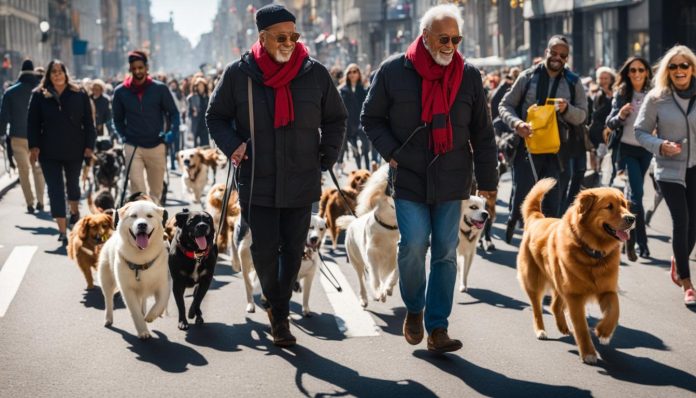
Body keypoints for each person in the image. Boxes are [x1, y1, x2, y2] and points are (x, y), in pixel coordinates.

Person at [206, 4, 347, 346]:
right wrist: (234, 144)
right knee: (265, 251)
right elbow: (216, 116)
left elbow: (336, 118)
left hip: (302, 179)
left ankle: (279, 314)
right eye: (281, 37)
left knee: (293, 249)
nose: (288, 42)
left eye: (293, 36)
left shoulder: (314, 73)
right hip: (257, 179)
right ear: (263, 37)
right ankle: (277, 305)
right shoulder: (239, 74)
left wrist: (328, 153)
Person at [361, 4, 497, 353]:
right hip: (408, 177)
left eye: (456, 38)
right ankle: (415, 309)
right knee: (414, 245)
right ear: (425, 37)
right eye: (443, 38)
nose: (450, 45)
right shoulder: (393, 70)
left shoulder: (470, 76)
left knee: (446, 254)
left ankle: (438, 328)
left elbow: (483, 134)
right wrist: (393, 153)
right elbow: (370, 118)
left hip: (453, 181)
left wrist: (488, 183)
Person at [499, 35, 587, 243]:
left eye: (562, 55)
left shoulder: (574, 82)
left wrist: (567, 110)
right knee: (523, 195)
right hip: (526, 146)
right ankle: (514, 219)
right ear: (546, 52)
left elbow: (583, 115)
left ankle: (544, 244)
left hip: (558, 150)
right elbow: (505, 105)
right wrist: (517, 124)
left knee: (553, 202)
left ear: (567, 58)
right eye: (553, 53)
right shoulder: (527, 77)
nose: (557, 58)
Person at [634, 45, 696, 306]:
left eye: (684, 65)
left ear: (692, 68)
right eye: (673, 66)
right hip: (668, 170)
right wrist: (660, 145)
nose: (679, 70)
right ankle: (687, 283)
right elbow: (640, 131)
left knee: (694, 223)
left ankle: (677, 258)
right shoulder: (657, 97)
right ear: (667, 71)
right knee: (681, 222)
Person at [27, 60, 96, 243]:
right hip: (49, 151)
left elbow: (89, 122)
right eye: (53, 72)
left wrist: (89, 146)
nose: (57, 74)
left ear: (66, 73)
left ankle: (74, 213)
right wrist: (33, 146)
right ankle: (63, 231)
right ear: (48, 75)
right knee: (55, 190)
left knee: (73, 185)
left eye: (60, 71)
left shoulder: (79, 93)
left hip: (75, 149)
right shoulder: (39, 95)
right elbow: (32, 123)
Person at [112, 50, 180, 204]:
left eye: (140, 67)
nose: (137, 71)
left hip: (156, 145)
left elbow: (174, 114)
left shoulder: (160, 89)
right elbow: (117, 120)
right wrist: (124, 136)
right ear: (130, 69)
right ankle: (140, 225)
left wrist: (170, 135)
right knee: (137, 191)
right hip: (133, 146)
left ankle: (154, 225)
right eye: (134, 68)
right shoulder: (120, 92)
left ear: (147, 67)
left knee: (156, 192)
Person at [605, 56, 653, 261]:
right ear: (627, 73)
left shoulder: (654, 94)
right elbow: (610, 122)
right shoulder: (622, 93)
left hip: (647, 150)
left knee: (635, 197)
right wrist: (621, 115)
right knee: (637, 195)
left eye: (641, 70)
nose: (637, 74)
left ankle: (633, 240)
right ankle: (637, 243)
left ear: (647, 73)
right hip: (626, 150)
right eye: (632, 70)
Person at [0, 59, 45, 214]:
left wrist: (1, 135)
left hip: (17, 135)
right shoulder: (40, 91)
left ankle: (30, 203)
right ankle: (41, 201)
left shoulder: (10, 92)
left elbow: (3, 117)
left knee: (23, 171)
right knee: (38, 169)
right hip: (38, 137)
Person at [338, 63, 369, 170]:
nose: (352, 74)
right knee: (355, 151)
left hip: (362, 124)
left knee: (365, 149)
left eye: (355, 71)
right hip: (349, 125)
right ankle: (359, 171)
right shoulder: (343, 90)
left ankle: (367, 171)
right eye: (350, 72)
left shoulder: (364, 90)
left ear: (359, 74)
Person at [588, 66, 615, 177]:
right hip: (596, 128)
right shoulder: (594, 93)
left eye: (606, 78)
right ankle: (595, 172)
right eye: (601, 78)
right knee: (594, 151)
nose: (603, 81)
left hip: (610, 128)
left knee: (606, 153)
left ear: (611, 79)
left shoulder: (617, 93)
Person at [187, 77, 210, 147]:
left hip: (205, 125)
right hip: (196, 124)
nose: (200, 87)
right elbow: (189, 113)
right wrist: (193, 113)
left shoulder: (207, 97)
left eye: (202, 85)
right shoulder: (192, 98)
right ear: (196, 87)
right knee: (195, 147)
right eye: (199, 86)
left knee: (205, 146)